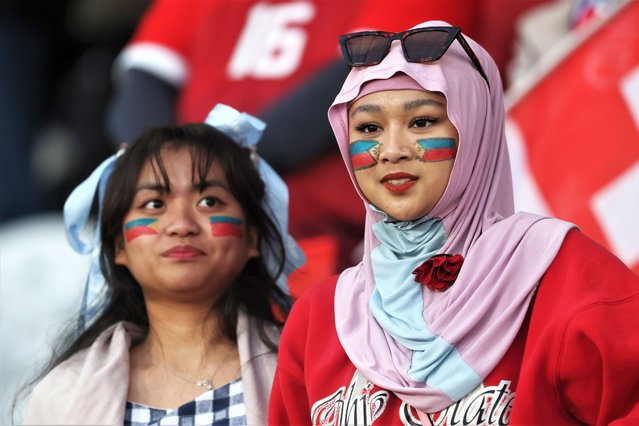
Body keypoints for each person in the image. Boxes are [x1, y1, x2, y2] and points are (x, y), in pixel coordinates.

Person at [268, 20, 639, 425]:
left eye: (422, 122)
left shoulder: (562, 274)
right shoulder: (320, 317)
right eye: (369, 128)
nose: (391, 150)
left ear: (475, 129)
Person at [21, 104, 304, 425]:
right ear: (118, 247)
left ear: (253, 239)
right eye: (154, 204)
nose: (181, 224)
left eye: (209, 201)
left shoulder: (304, 369)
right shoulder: (63, 394)